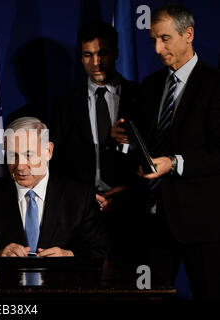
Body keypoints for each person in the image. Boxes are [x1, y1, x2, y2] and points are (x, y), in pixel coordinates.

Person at [112, 4, 220, 299]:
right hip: (151, 220)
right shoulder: (150, 86)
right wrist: (122, 142)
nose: (158, 49)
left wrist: (174, 163)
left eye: (165, 39)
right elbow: (142, 149)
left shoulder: (215, 86)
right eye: (153, 40)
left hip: (201, 224)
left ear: (189, 34)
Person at [52, 21, 141, 259]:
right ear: (80, 57)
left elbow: (153, 154)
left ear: (116, 53)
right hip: (81, 216)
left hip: (131, 214)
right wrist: (83, 196)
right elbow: (57, 163)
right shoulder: (64, 105)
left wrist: (129, 190)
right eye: (88, 55)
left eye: (102, 53)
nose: (96, 63)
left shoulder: (141, 97)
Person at [0, 117, 107, 259]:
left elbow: (100, 252)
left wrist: (69, 255)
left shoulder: (80, 197)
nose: (20, 166)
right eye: (13, 155)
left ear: (48, 151)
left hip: (62, 280)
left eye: (28, 155)